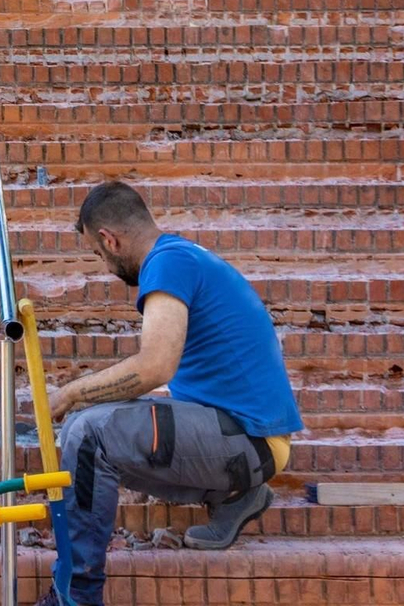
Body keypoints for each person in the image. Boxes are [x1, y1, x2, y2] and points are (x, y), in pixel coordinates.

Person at [34, 181, 303, 606]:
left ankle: (77, 596)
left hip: (247, 440)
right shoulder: (181, 256)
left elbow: (154, 366)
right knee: (97, 435)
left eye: (97, 254)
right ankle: (238, 495)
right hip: (247, 440)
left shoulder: (167, 263)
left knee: (88, 434)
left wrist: (69, 395)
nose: (104, 265)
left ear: (110, 239)